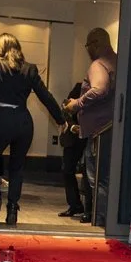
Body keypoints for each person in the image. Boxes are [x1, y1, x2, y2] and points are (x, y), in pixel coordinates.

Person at [0, 33, 63, 226]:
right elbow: (45, 96)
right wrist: (61, 119)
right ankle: (13, 208)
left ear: (0, 48)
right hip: (24, 121)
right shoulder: (29, 68)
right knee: (17, 166)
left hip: (2, 119)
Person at [66, 26, 116, 224]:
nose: (87, 50)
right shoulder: (118, 61)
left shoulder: (98, 65)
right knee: (108, 179)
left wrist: (76, 104)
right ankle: (107, 219)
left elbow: (98, 89)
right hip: (113, 128)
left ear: (95, 44)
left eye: (87, 45)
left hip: (100, 132)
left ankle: (100, 220)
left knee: (98, 179)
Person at [57, 76, 87, 218]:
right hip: (74, 136)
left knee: (89, 173)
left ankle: (89, 208)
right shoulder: (79, 87)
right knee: (67, 169)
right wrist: (73, 126)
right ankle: (75, 204)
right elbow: (65, 108)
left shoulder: (101, 92)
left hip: (90, 134)